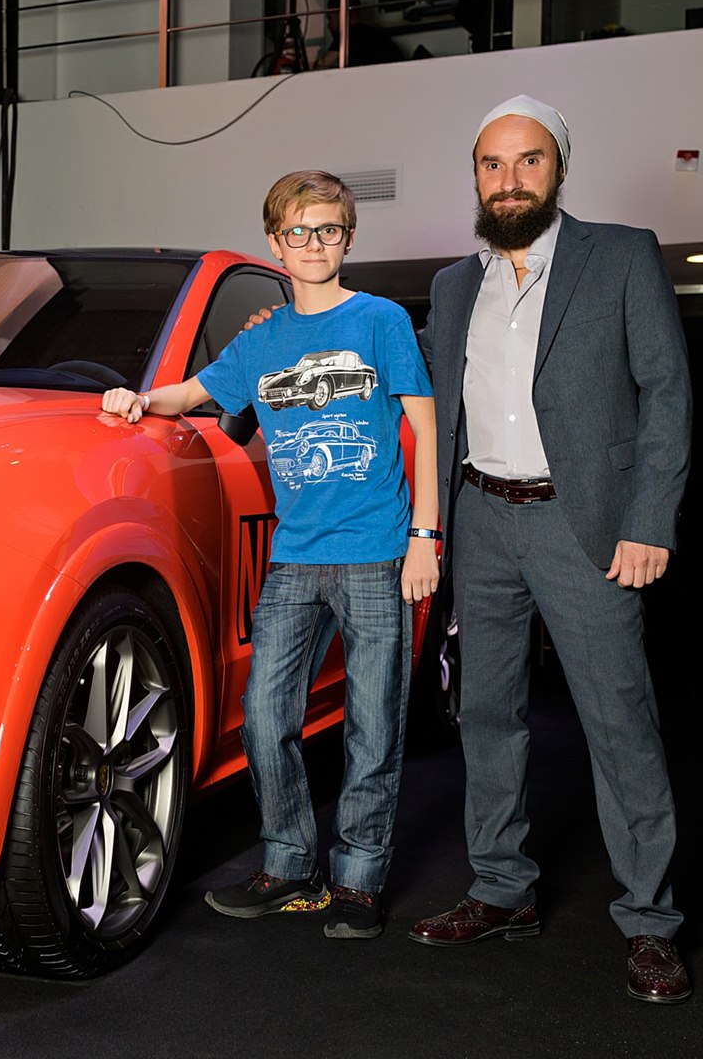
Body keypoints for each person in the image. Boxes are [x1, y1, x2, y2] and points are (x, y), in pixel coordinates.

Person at [405, 96, 694, 1004]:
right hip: (482, 521)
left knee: (619, 722)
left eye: (528, 160)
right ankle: (502, 889)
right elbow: (410, 381)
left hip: (587, 524)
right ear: (476, 177)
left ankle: (650, 922)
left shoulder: (622, 255)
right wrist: (286, 335)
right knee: (487, 716)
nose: (510, 179)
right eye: (492, 164)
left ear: (559, 168)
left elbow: (667, 391)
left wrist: (650, 520)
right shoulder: (454, 285)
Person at [100, 170, 439, 939]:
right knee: (262, 718)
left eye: (328, 230)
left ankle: (358, 880)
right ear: (275, 243)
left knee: (374, 728)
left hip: (377, 553)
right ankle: (288, 865)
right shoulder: (261, 341)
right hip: (294, 559)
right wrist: (137, 400)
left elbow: (426, 425)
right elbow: (191, 393)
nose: (313, 244)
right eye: (298, 231)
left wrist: (425, 539)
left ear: (348, 238)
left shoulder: (381, 320)